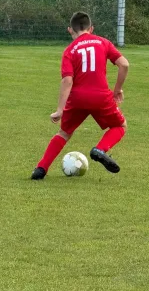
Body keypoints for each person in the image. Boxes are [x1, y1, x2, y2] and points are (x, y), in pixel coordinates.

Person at [31, 11, 129, 180]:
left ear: (70, 30)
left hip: (77, 98)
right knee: (120, 126)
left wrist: (59, 110)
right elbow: (124, 64)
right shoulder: (103, 42)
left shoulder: (69, 50)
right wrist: (117, 89)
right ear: (91, 28)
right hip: (101, 97)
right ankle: (100, 149)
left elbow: (67, 81)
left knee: (64, 133)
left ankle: (41, 168)